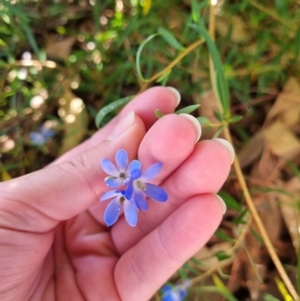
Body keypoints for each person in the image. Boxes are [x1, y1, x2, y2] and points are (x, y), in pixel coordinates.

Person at [0, 87, 234, 301]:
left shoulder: (135, 181)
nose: (130, 191)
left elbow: (134, 180)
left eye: (126, 193)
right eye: (124, 195)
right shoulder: (123, 185)